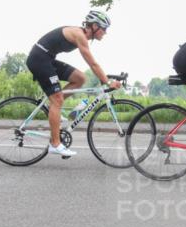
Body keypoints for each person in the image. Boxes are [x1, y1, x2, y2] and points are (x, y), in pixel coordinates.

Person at [26, 11, 119, 158]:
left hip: (47, 58)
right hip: (39, 60)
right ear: (94, 26)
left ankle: (55, 108)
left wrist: (105, 80)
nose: (105, 33)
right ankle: (55, 144)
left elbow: (93, 68)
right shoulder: (79, 35)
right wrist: (107, 81)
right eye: (104, 28)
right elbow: (93, 64)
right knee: (57, 99)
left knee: (80, 78)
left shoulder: (80, 34)